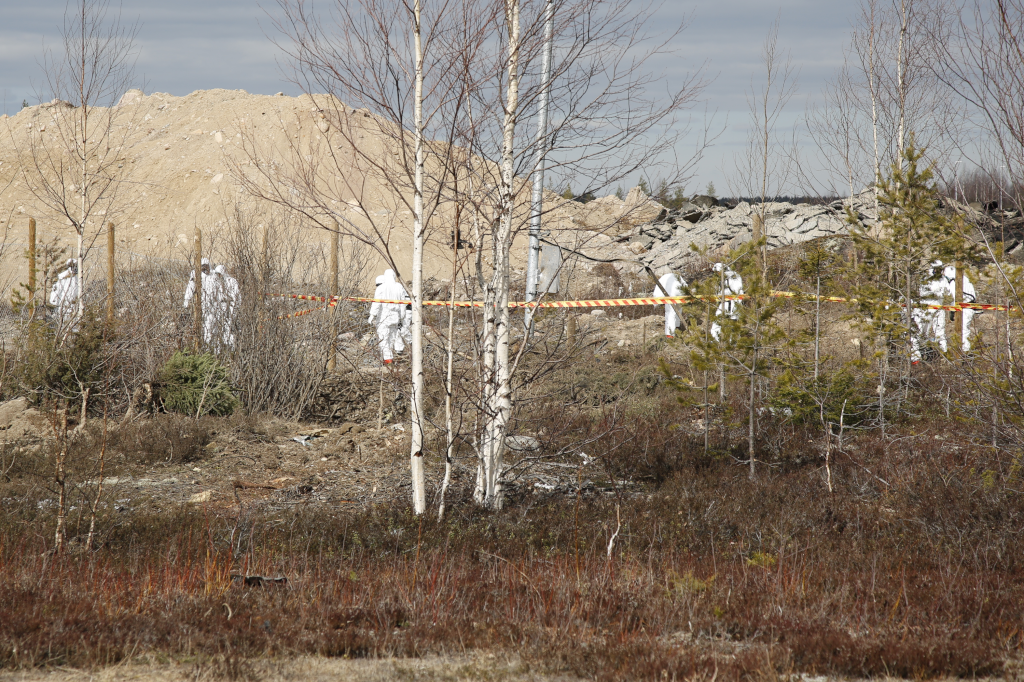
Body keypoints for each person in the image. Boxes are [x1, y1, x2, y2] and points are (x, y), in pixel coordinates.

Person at [367, 269, 409, 364]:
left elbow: (376, 303)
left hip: (384, 316)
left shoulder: (381, 288)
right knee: (391, 338)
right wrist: (402, 315)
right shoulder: (399, 287)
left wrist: (372, 314)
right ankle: (390, 357)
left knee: (383, 338)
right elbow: (403, 302)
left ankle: (387, 359)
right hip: (395, 316)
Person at [912, 260, 949, 363]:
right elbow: (923, 292)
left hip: (939, 308)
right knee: (922, 332)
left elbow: (947, 291)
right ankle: (920, 355)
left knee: (940, 332)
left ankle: (943, 356)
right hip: (926, 309)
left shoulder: (943, 279)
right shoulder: (926, 279)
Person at [183, 258, 219, 345]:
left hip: (214, 305)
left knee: (212, 327)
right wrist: (186, 301)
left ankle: (210, 345)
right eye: (203, 267)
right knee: (201, 326)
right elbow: (190, 288)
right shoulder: (196, 276)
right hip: (201, 305)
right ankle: (202, 345)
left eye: (206, 267)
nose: (205, 269)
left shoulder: (213, 276)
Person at [942, 263, 977, 352]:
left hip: (965, 308)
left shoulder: (955, 282)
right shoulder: (965, 279)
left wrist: (952, 311)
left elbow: (955, 298)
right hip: (969, 307)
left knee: (963, 330)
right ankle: (963, 350)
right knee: (964, 330)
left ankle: (965, 352)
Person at [710, 262, 743, 341]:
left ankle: (731, 341)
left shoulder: (732, 278)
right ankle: (717, 340)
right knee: (718, 323)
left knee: (730, 324)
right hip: (725, 303)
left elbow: (737, 292)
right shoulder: (724, 278)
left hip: (731, 304)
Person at [653, 271, 685, 337]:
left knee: (670, 313)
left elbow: (657, 294)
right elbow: (685, 286)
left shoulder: (663, 279)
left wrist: (655, 305)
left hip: (671, 294)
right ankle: (677, 327)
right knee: (678, 309)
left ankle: (670, 335)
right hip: (681, 293)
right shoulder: (677, 276)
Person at [49, 258, 79, 328]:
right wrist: (55, 304)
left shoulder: (77, 279)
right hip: (63, 307)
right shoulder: (63, 278)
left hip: (73, 307)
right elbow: (54, 295)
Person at [214, 264, 239, 349]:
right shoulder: (217, 283)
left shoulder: (232, 281)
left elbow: (236, 295)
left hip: (231, 306)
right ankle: (221, 345)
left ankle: (231, 346)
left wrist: (233, 304)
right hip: (221, 306)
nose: (218, 276)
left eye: (219, 274)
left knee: (229, 326)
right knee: (220, 326)